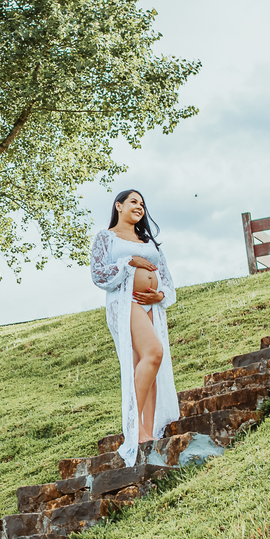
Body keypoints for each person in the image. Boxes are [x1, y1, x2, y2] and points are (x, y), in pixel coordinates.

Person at [90, 189, 180, 467]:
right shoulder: (106, 238)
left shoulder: (148, 241)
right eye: (133, 202)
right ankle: (133, 426)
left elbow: (165, 277)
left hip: (152, 306)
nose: (139, 207)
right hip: (125, 301)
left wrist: (160, 295)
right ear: (118, 206)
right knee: (154, 353)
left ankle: (147, 432)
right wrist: (128, 262)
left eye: (142, 203)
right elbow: (98, 274)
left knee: (149, 366)